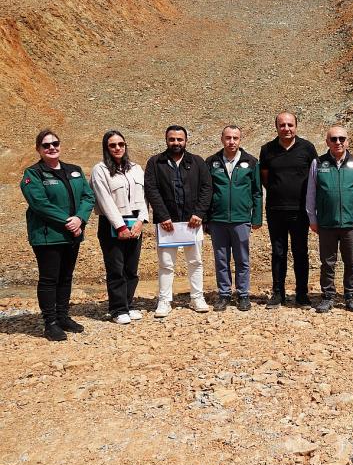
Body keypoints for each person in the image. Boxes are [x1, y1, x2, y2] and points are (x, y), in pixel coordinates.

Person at [21, 129, 95, 341]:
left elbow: (88, 197)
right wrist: (68, 222)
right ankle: (50, 323)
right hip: (48, 236)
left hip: (72, 233)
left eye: (55, 143)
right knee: (49, 278)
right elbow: (40, 204)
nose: (52, 147)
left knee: (66, 276)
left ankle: (63, 316)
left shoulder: (74, 170)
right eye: (46, 145)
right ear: (38, 149)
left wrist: (79, 219)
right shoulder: (33, 174)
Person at [144, 125, 212, 318]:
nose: (176, 143)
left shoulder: (197, 162)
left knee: (195, 261)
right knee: (166, 264)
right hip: (167, 224)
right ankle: (164, 300)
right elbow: (151, 189)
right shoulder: (155, 162)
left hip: (192, 222)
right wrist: (163, 216)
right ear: (166, 140)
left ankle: (197, 297)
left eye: (179, 139)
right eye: (172, 139)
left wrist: (199, 213)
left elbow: (207, 188)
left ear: (186, 141)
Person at [306, 126, 353, 313]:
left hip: (350, 223)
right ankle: (328, 296)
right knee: (327, 262)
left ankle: (350, 295)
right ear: (327, 142)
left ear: (347, 141)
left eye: (342, 138)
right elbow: (311, 193)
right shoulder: (318, 163)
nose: (338, 142)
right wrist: (312, 218)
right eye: (333, 139)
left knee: (351, 261)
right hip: (326, 222)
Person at [260, 111, 318, 308]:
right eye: (282, 125)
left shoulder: (307, 148)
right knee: (278, 252)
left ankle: (302, 294)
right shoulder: (267, 150)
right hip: (275, 209)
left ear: (296, 126)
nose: (286, 128)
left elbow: (314, 177)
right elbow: (265, 178)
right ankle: (278, 293)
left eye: (290, 125)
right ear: (276, 127)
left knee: (300, 251)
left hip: (300, 210)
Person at [90, 130, 148, 325]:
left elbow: (144, 197)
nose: (117, 148)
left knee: (131, 268)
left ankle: (128, 304)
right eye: (112, 145)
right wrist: (120, 226)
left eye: (121, 144)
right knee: (116, 268)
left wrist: (141, 221)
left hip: (135, 222)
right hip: (112, 223)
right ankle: (117, 309)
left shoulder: (136, 168)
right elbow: (104, 200)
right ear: (106, 148)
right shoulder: (100, 170)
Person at [206, 125, 262, 312]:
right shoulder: (211, 162)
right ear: (222, 139)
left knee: (242, 259)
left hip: (241, 219)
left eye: (235, 138)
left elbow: (257, 192)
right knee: (221, 259)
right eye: (228, 138)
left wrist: (256, 217)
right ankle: (224, 294)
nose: (231, 141)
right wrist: (206, 219)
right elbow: (206, 191)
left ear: (240, 139)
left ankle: (243, 294)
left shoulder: (251, 162)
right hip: (218, 220)